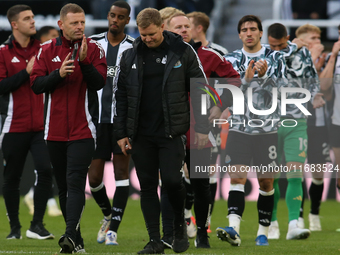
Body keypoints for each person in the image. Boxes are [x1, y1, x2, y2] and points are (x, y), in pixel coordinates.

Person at [114, 8, 210, 254]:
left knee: (171, 180)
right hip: (141, 133)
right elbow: (121, 96)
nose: (147, 39)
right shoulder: (130, 54)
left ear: (162, 28)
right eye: (143, 35)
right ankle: (155, 239)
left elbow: (201, 89)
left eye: (152, 34)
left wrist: (201, 127)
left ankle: (179, 226)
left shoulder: (182, 51)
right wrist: (121, 132)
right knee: (147, 185)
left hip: (171, 132)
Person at [30, 3, 107, 253]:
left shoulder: (94, 49)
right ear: (61, 24)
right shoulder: (45, 50)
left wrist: (84, 63)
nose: (80, 27)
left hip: (84, 131)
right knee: (63, 186)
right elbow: (37, 85)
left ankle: (68, 237)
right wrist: (58, 74)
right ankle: (76, 238)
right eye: (74, 23)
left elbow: (99, 83)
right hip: (53, 132)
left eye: (82, 22)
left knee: (75, 183)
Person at [167, 11, 240, 249]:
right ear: (167, 29)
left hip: (199, 131)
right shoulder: (160, 55)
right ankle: (173, 231)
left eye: (187, 26)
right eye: (178, 27)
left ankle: (202, 233)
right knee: (170, 183)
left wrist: (220, 106)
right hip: (168, 132)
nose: (184, 30)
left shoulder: (209, 56)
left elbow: (235, 80)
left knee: (200, 183)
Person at [215, 15, 286, 246]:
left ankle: (262, 232)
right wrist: (245, 82)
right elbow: (227, 93)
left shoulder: (275, 57)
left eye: (253, 29)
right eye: (244, 29)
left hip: (268, 129)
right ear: (239, 34)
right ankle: (233, 230)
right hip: (239, 128)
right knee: (237, 177)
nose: (248, 33)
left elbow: (284, 92)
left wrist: (265, 76)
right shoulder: (231, 59)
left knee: (266, 182)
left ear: (260, 32)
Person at [266, 23, 325, 240]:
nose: (277, 49)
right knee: (269, 177)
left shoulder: (304, 55)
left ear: (287, 38)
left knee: (294, 174)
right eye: (273, 46)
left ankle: (293, 224)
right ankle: (271, 223)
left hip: (296, 121)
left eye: (281, 45)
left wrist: (314, 95)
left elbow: (312, 81)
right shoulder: (264, 55)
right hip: (269, 122)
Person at [0, 4, 54, 240]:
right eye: (27, 18)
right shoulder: (2, 52)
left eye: (33, 17)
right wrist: (25, 72)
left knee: (45, 170)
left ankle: (37, 225)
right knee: (12, 177)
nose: (33, 21)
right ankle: (14, 229)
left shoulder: (44, 49)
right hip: (14, 125)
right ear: (14, 24)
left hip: (42, 126)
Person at [88, 0, 134, 246]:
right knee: (94, 178)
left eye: (120, 17)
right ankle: (107, 214)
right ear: (108, 16)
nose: (115, 20)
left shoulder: (134, 47)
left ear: (128, 20)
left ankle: (113, 230)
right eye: (112, 15)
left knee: (121, 173)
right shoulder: (93, 43)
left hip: (121, 122)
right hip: (95, 121)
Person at [294, 24, 334, 231]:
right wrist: (311, 62)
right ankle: (299, 216)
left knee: (318, 172)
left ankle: (315, 213)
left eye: (319, 37)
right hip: (297, 122)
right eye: (313, 38)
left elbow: (325, 87)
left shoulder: (328, 59)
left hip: (319, 124)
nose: (319, 41)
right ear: (302, 41)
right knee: (297, 171)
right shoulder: (294, 60)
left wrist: (328, 58)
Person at [23, 25, 62, 218]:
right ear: (44, 38)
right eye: (53, 36)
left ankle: (38, 196)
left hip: (50, 116)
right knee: (47, 165)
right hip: (41, 119)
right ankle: (47, 200)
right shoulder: (42, 55)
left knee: (51, 165)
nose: (56, 39)